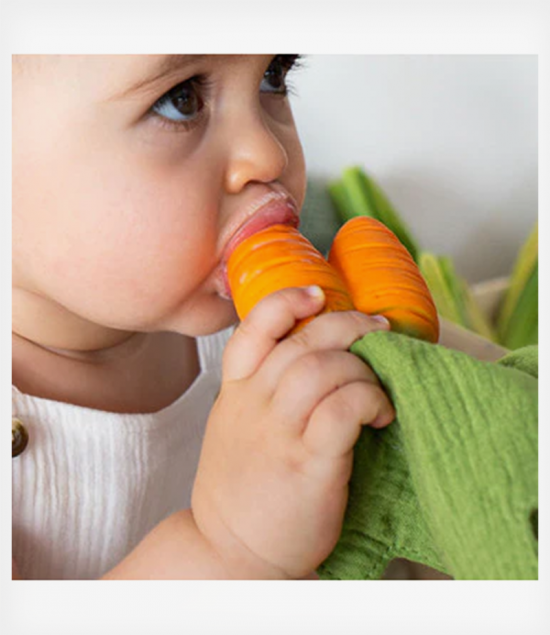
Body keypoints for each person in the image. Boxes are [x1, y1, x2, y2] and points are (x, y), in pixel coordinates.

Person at [12, 54, 395, 580]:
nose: (270, 153)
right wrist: (229, 549)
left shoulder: (274, 318)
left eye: (273, 76)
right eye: (181, 99)